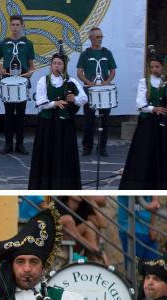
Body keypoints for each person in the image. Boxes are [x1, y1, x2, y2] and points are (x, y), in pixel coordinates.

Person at [28, 52, 87, 190]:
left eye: (59, 64)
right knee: (47, 153)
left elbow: (84, 98)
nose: (56, 66)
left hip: (64, 124)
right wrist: (54, 103)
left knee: (63, 154)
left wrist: (75, 99)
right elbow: (40, 102)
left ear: (64, 66)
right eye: (54, 63)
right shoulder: (44, 80)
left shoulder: (70, 81)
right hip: (47, 124)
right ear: (51, 65)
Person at [119, 49, 167, 189]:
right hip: (148, 123)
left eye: (157, 67)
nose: (154, 69)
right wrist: (154, 109)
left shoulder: (165, 81)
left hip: (163, 122)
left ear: (162, 67)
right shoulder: (144, 82)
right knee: (145, 152)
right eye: (151, 67)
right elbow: (140, 103)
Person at [0, 15, 35, 155]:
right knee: (9, 114)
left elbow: (31, 65)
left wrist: (30, 73)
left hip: (22, 80)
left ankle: (20, 144)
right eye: (13, 25)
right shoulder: (4, 43)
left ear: (22, 26)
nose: (15, 27)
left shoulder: (28, 43)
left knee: (21, 114)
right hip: (7, 80)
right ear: (10, 26)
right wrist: (0, 70)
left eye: (18, 25)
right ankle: (8, 144)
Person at [76, 27, 117, 157]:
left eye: (101, 37)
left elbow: (113, 71)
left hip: (104, 90)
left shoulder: (107, 53)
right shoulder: (85, 54)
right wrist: (89, 83)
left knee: (104, 120)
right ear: (90, 38)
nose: (99, 39)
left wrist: (106, 82)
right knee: (89, 120)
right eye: (97, 37)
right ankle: (87, 147)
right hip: (90, 90)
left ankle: (102, 147)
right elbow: (79, 72)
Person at [117, 196, 161, 271]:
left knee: (154, 270)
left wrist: (153, 224)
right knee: (134, 271)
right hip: (130, 229)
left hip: (148, 229)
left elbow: (155, 202)